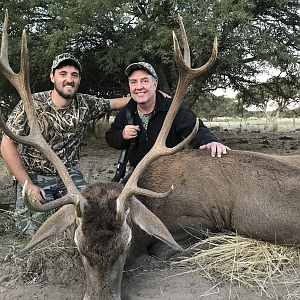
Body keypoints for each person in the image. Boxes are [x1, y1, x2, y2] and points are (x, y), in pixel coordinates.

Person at [0, 53, 131, 236]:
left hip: (68, 175)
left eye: (74, 75)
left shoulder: (85, 103)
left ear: (79, 80)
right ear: (52, 77)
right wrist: (27, 184)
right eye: (63, 74)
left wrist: (154, 95)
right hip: (34, 176)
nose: (69, 80)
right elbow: (7, 146)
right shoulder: (30, 104)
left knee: (92, 219)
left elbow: (117, 103)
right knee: (34, 234)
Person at [105, 62, 231, 180]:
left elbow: (196, 128)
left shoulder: (173, 107)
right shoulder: (128, 110)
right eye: (133, 82)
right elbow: (110, 137)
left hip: (171, 173)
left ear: (155, 84)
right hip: (138, 173)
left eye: (144, 81)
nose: (139, 87)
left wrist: (211, 142)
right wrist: (122, 135)